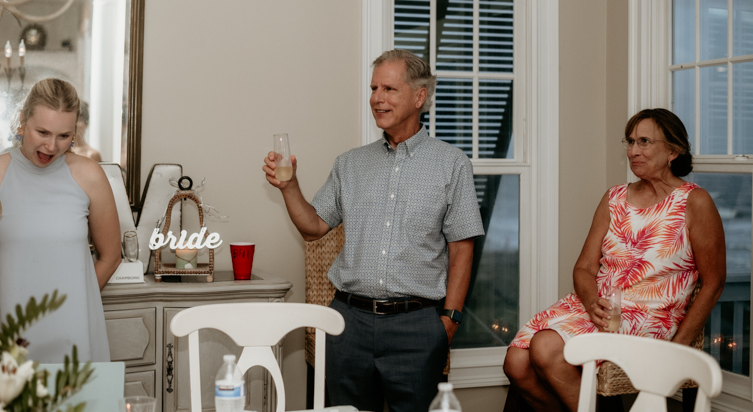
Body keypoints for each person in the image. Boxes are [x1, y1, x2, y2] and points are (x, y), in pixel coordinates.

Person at [262, 49, 485, 412]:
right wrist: (290, 188)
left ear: (419, 96)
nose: (377, 98)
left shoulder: (451, 163)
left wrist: (449, 320)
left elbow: (462, 247)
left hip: (417, 327)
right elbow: (313, 227)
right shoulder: (349, 164)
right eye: (373, 88)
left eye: (389, 89)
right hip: (349, 325)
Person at [502, 108, 726, 412]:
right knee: (515, 363)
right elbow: (584, 267)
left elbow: (713, 282)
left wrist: (678, 350)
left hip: (652, 316)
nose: (633, 151)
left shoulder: (695, 202)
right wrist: (593, 301)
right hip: (599, 307)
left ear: (673, 151)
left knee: (544, 347)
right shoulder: (614, 198)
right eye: (630, 142)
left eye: (644, 142)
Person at [0, 78, 122, 362]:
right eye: (42, 132)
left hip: (75, 335)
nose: (51, 146)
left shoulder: (90, 175)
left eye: (64, 136)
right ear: (22, 120)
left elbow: (111, 256)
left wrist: (76, 305)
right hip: (9, 337)